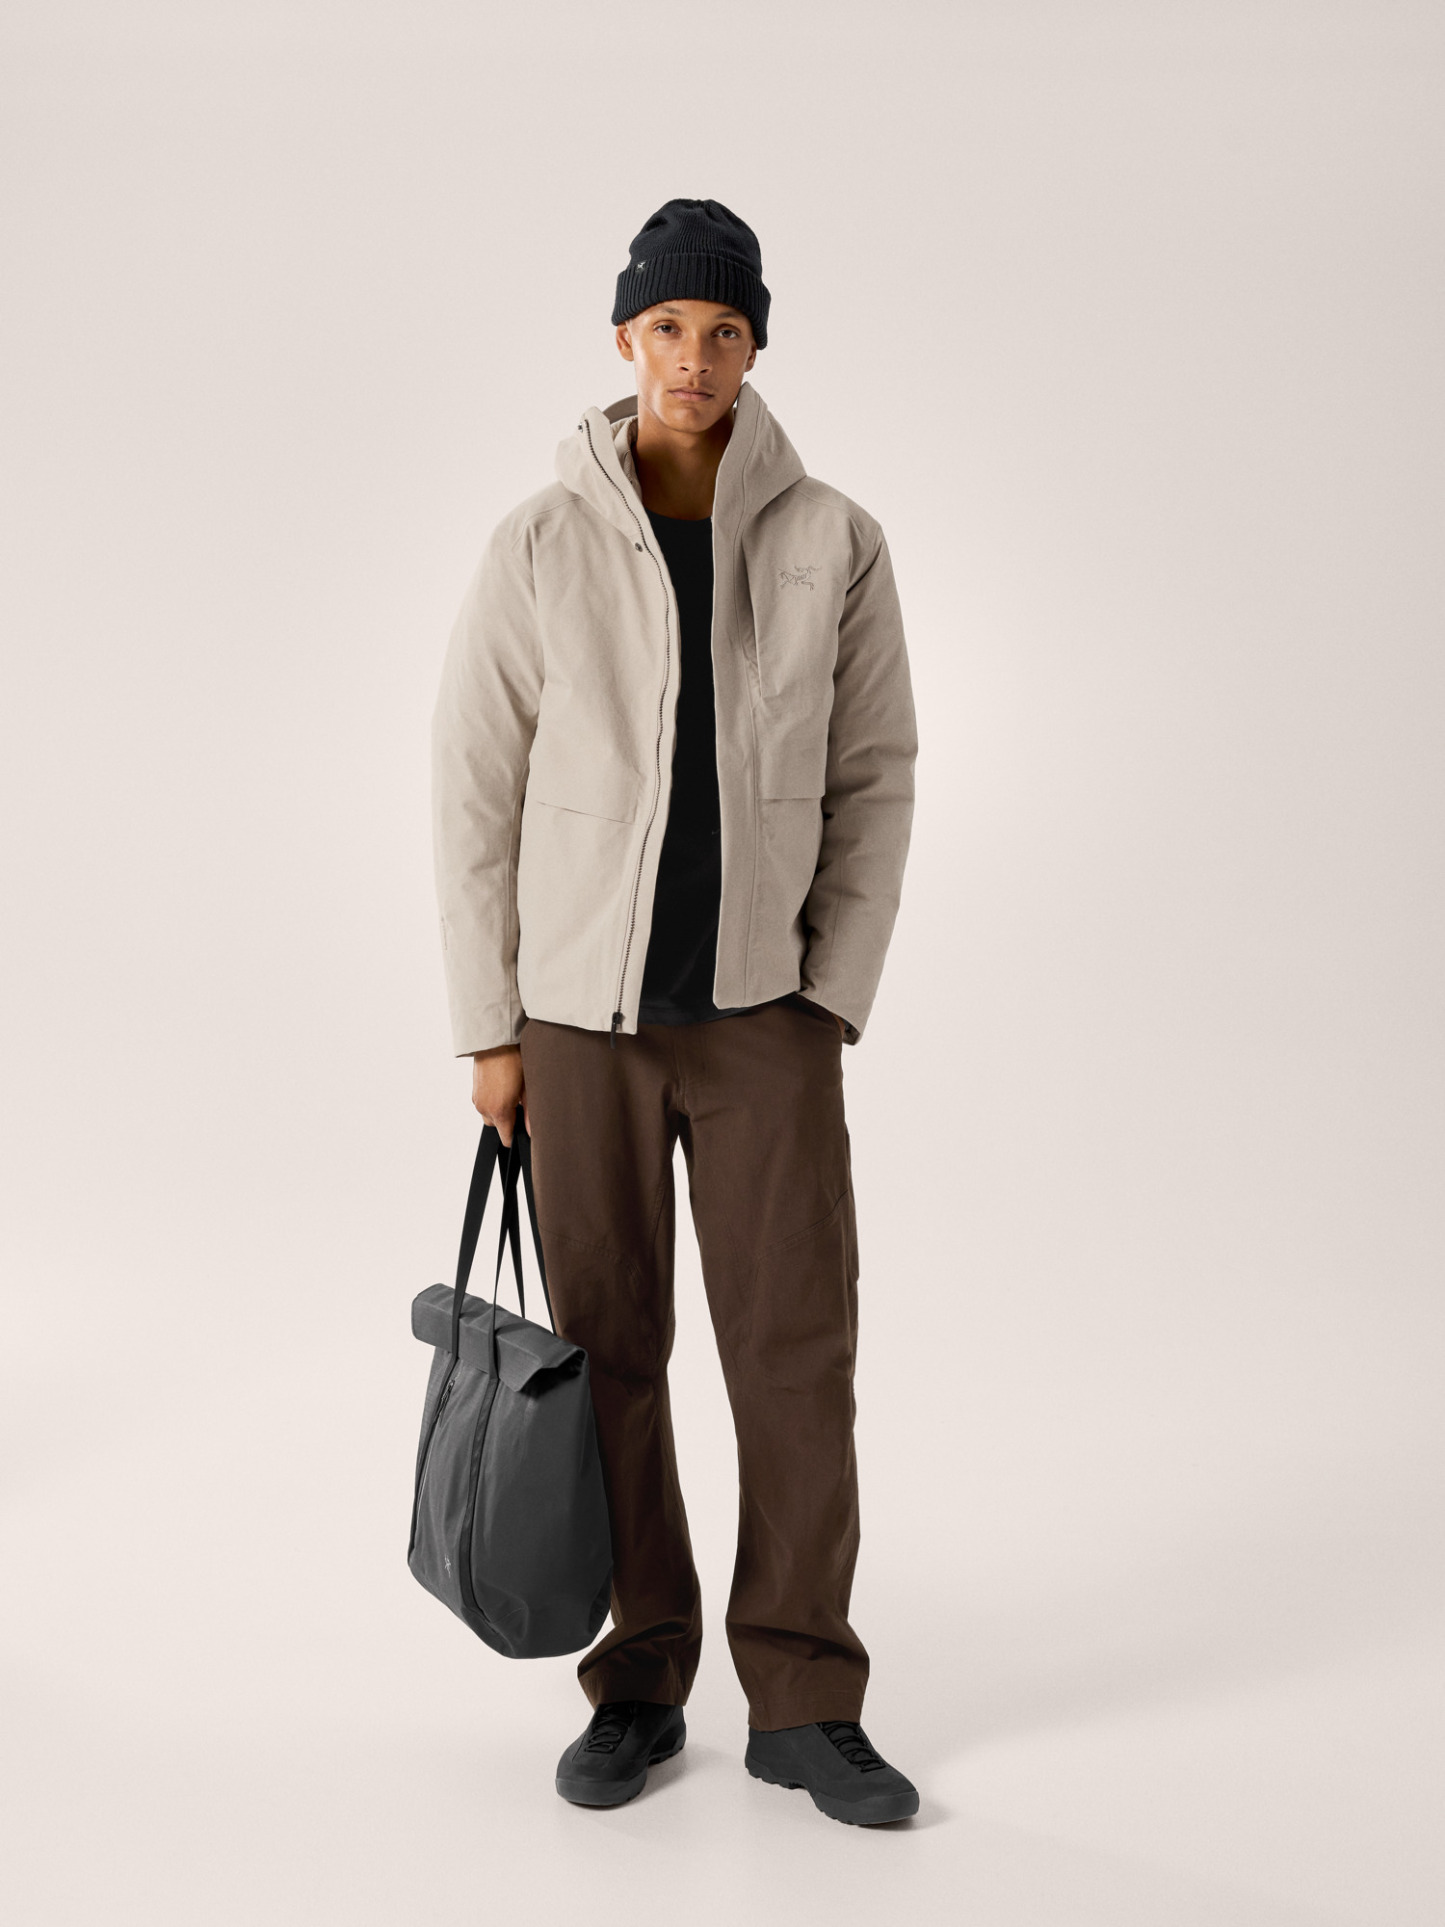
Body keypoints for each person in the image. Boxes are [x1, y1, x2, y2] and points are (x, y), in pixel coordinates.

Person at [431, 197, 919, 1826]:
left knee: (796, 1356)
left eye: (722, 332)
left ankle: (802, 1697)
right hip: (577, 1025)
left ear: (754, 347)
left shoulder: (834, 538)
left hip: (765, 1015)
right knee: (607, 1352)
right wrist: (490, 1027)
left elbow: (874, 776)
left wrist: (830, 993)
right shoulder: (539, 543)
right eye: (666, 330)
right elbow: (473, 790)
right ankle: (639, 1678)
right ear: (623, 340)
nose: (692, 359)